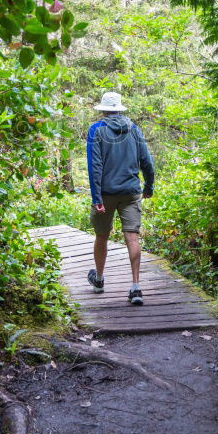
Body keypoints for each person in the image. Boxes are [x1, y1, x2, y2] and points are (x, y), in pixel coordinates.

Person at [85, 91, 155, 305]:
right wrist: (149, 186)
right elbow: (147, 162)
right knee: (131, 238)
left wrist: (96, 197)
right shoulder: (134, 129)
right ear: (120, 108)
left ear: (104, 110)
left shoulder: (96, 130)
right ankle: (135, 287)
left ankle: (98, 280)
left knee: (102, 236)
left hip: (105, 193)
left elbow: (94, 166)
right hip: (131, 192)